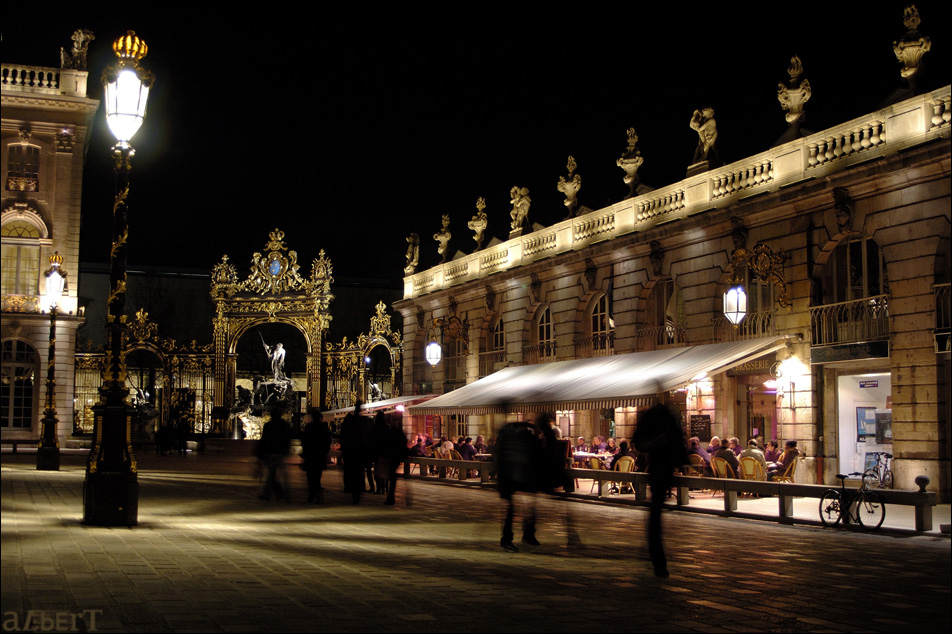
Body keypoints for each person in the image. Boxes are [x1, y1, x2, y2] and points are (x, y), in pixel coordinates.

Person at [633, 400, 687, 578]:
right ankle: (659, 561)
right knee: (655, 516)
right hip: (664, 472)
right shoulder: (670, 424)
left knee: (654, 517)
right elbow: (680, 450)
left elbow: (639, 442)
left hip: (658, 471)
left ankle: (658, 561)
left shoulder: (654, 422)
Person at [494, 419, 542, 552]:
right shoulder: (518, 440)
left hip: (515, 478)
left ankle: (525, 535)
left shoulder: (506, 438)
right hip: (515, 478)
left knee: (518, 508)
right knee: (515, 509)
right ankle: (511, 538)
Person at [257, 405, 292, 501]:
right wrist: (286, 449)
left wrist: (261, 453)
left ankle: (268, 494)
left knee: (271, 474)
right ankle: (285, 494)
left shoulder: (268, 425)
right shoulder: (284, 425)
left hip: (271, 452)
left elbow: (264, 440)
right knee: (283, 475)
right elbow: (287, 438)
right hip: (280, 451)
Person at [340, 401, 371, 504]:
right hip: (360, 451)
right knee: (358, 471)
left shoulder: (349, 422)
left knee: (350, 471)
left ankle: (351, 488)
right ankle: (357, 490)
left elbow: (344, 437)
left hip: (350, 451)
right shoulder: (363, 422)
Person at [300, 409, 332, 503]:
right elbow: (327, 441)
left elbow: (304, 441)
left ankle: (313, 495)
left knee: (311, 476)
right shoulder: (323, 428)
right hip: (319, 455)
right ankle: (316, 496)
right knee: (317, 476)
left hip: (311, 455)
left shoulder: (309, 428)